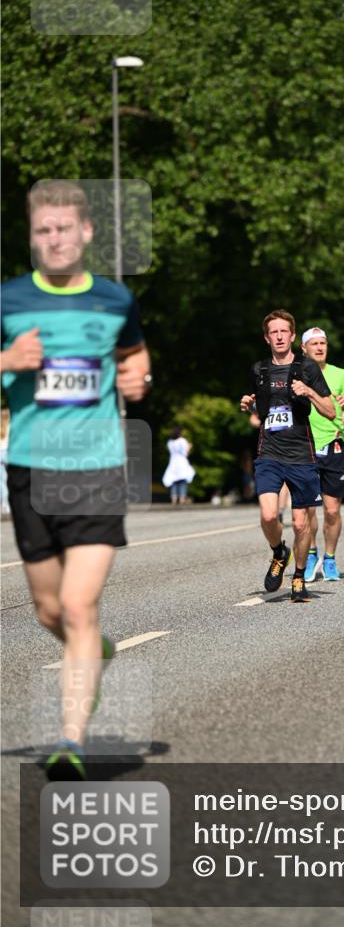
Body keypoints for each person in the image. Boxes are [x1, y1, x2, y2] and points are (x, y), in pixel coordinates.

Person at [0, 180, 151, 779]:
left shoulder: (114, 300)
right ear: (32, 237)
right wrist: (9, 362)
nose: (54, 238)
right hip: (32, 467)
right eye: (43, 230)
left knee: (77, 605)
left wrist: (137, 380)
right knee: (45, 610)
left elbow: (135, 360)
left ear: (87, 232)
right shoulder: (9, 300)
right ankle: (96, 651)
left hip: (95, 467)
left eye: (64, 228)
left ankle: (69, 741)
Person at [240, 310, 335, 603]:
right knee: (269, 514)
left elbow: (330, 411)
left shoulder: (307, 367)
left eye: (284, 332)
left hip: (301, 453)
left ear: (293, 336)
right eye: (274, 332)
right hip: (268, 451)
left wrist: (309, 392)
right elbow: (259, 406)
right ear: (266, 337)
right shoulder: (259, 370)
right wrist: (248, 404)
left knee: (301, 523)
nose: (279, 337)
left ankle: (298, 577)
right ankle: (279, 552)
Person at [299, 327, 344, 582]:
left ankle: (330, 558)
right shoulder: (297, 374)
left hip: (334, 446)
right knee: (308, 509)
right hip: (304, 446)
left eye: (323, 343)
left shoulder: (341, 374)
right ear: (304, 348)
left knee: (332, 510)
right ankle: (312, 553)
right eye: (314, 343)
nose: (320, 347)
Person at [162, 426, 195, 504]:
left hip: (173, 463)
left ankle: (174, 499)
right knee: (182, 481)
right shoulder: (182, 441)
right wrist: (189, 447)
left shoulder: (169, 442)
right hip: (181, 462)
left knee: (173, 481)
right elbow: (185, 453)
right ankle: (182, 499)